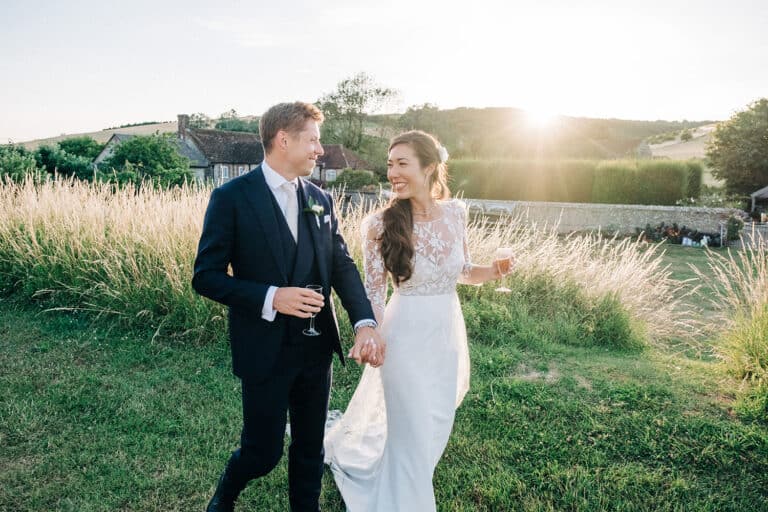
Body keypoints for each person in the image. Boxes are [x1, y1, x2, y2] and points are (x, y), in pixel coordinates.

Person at [192, 101, 385, 512]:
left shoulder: (320, 198)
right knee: (262, 452)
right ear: (283, 140)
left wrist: (364, 321)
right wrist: (271, 297)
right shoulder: (231, 198)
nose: (320, 150)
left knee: (310, 449)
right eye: (313, 140)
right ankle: (226, 491)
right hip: (264, 348)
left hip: (316, 350)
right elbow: (205, 276)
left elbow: (341, 264)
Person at [324, 130, 514, 511]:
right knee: (410, 427)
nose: (392, 171)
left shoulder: (457, 214)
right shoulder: (379, 225)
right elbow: (373, 293)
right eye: (390, 163)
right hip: (404, 334)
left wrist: (492, 271)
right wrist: (370, 334)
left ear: (429, 167)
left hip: (445, 333)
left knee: (436, 420)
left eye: (402, 163)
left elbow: (461, 270)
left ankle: (409, 482)